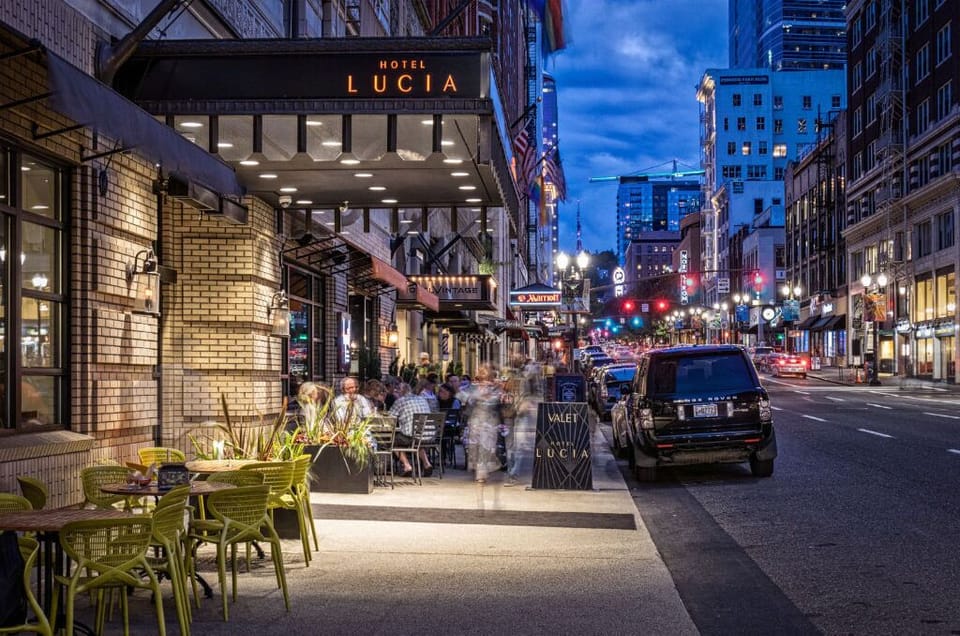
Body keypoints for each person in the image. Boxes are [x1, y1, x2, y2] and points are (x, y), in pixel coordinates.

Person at [462, 364, 503, 483]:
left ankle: (481, 472)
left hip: (489, 421)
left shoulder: (495, 388)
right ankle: (480, 471)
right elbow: (464, 398)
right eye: (481, 374)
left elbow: (498, 401)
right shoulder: (473, 387)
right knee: (476, 447)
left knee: (486, 446)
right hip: (476, 421)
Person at [387, 388, 434, 477]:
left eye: (396, 391)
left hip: (413, 436)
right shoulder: (422, 399)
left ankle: (407, 465)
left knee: (393, 441)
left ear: (401, 392)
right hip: (429, 435)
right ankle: (427, 463)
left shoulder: (400, 401)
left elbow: (390, 417)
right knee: (417, 441)